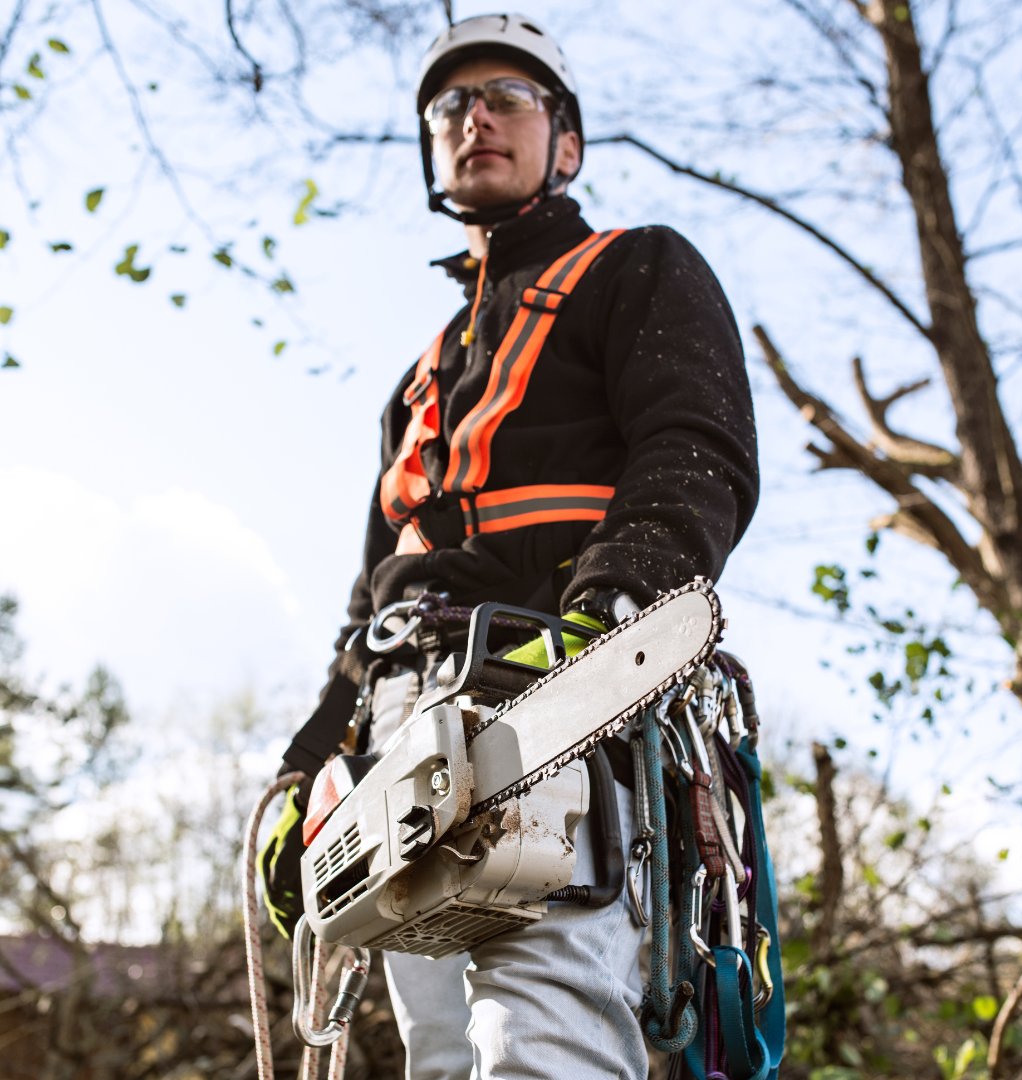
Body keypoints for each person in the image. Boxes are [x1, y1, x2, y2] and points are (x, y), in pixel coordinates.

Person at [263, 13, 759, 1080]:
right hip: (403, 714)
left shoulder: (637, 271)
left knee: (542, 1031)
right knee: (439, 1050)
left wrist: (610, 612)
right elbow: (369, 607)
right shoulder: (418, 383)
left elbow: (694, 448)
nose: (473, 118)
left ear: (564, 142)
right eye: (450, 106)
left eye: (506, 98)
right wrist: (310, 761)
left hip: (556, 676)